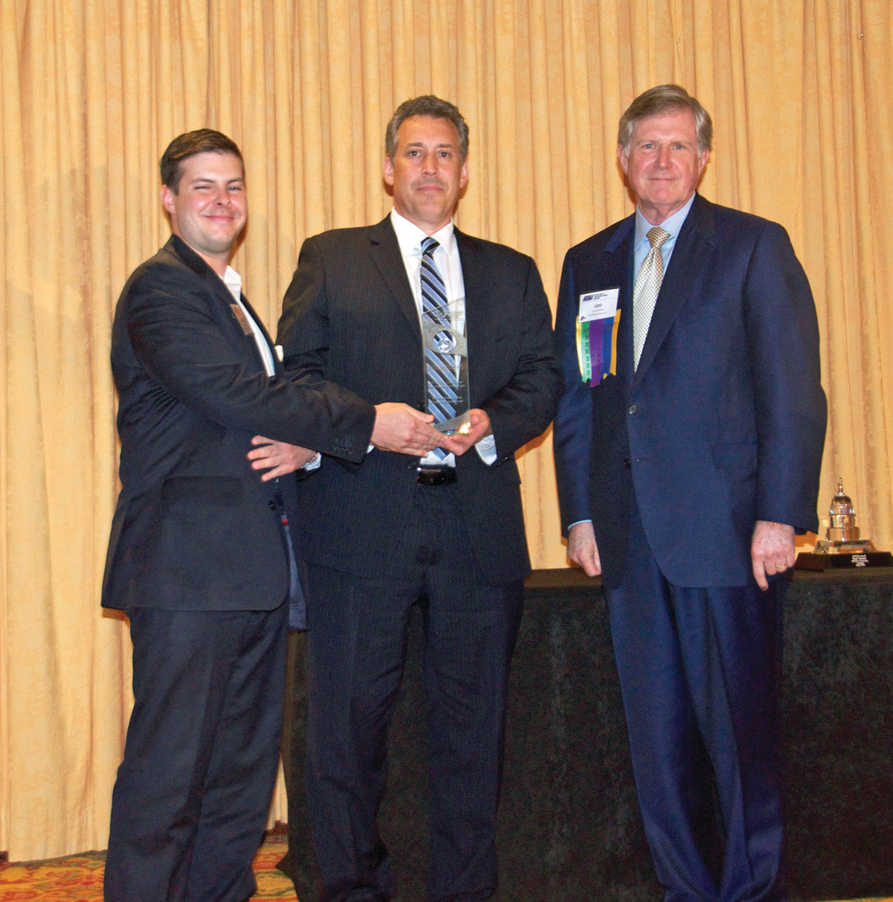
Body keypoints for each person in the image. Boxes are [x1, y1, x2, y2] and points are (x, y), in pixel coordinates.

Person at [269, 94, 561, 902]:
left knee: (473, 735)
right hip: (360, 527)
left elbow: (543, 377)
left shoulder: (512, 271)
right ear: (387, 169)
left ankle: (464, 891)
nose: (429, 168)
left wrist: (490, 422)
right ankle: (352, 889)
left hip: (478, 528)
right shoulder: (331, 258)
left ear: (464, 173)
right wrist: (371, 425)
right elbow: (298, 380)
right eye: (414, 153)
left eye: (444, 154)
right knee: (346, 734)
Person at [552, 85, 827, 902]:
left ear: (705, 158)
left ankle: (748, 891)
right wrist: (579, 510)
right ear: (622, 159)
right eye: (646, 146)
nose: (662, 161)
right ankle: (684, 889)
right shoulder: (588, 261)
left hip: (729, 538)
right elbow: (582, 396)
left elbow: (793, 392)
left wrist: (781, 513)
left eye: (678, 146)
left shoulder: (751, 246)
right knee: (657, 744)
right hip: (629, 542)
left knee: (741, 740)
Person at [102, 129, 376, 902]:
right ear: (168, 199)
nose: (222, 202)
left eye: (234, 186)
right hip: (188, 571)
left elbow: (260, 419)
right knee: (169, 777)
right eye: (202, 187)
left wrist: (306, 448)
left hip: (254, 570)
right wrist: (362, 420)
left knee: (238, 778)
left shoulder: (231, 295)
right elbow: (238, 396)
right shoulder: (161, 289)